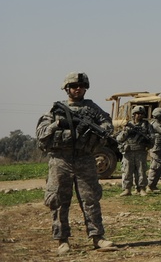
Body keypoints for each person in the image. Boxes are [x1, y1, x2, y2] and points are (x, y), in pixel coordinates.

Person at [35, 72, 116, 254]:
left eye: (81, 86)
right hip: (60, 160)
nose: (77, 89)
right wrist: (58, 125)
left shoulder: (91, 108)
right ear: (67, 88)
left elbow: (107, 125)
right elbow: (41, 133)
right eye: (73, 86)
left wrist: (95, 131)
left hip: (85, 158)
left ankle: (97, 237)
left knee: (91, 199)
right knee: (58, 200)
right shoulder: (56, 109)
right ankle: (62, 240)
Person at [116, 106, 153, 196]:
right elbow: (119, 138)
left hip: (140, 151)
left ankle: (141, 189)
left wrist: (148, 144)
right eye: (137, 114)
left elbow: (152, 137)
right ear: (133, 114)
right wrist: (126, 132)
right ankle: (127, 189)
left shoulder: (146, 125)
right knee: (127, 171)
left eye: (141, 114)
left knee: (141, 171)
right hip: (128, 151)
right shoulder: (128, 125)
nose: (139, 115)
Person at [146, 107, 161, 193]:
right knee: (155, 166)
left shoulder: (159, 124)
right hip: (156, 148)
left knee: (159, 166)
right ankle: (149, 185)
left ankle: (153, 185)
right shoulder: (155, 124)